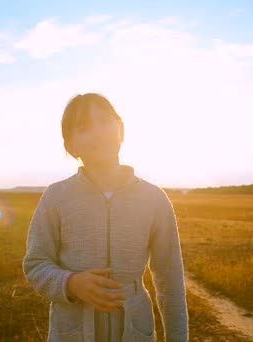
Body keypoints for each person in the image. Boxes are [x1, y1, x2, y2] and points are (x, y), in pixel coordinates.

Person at [23, 93, 188, 341]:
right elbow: (35, 264)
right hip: (72, 332)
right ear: (70, 146)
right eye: (84, 127)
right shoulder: (56, 197)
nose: (98, 132)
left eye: (104, 121)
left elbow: (170, 279)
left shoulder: (154, 199)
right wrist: (71, 283)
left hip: (135, 332)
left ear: (120, 130)